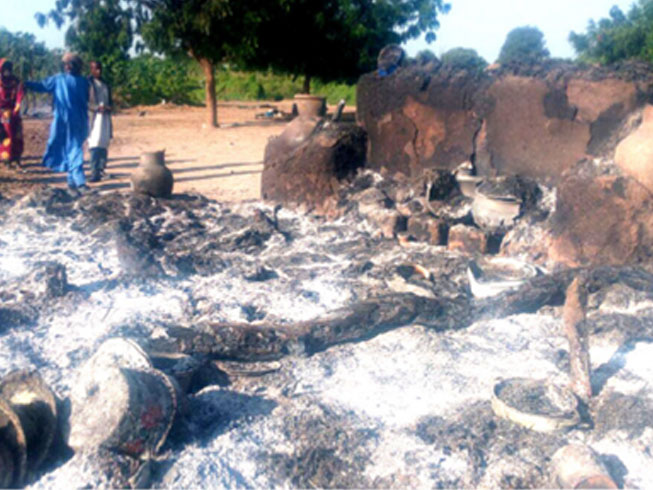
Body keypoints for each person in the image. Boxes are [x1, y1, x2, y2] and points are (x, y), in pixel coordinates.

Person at [25, 53, 90, 195]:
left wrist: (24, 84)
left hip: (69, 121)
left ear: (75, 66)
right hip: (73, 120)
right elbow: (41, 85)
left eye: (69, 64)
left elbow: (41, 86)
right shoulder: (81, 82)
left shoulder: (62, 80)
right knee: (72, 149)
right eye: (66, 64)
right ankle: (75, 183)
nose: (67, 67)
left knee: (73, 150)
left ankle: (77, 183)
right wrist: (25, 84)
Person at [87, 60, 113, 182]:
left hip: (105, 117)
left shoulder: (105, 83)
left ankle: (102, 170)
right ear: (91, 69)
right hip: (94, 117)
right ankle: (94, 172)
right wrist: (97, 107)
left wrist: (109, 107)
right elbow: (85, 102)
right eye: (95, 68)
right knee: (94, 144)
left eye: (100, 68)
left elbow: (110, 101)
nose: (98, 71)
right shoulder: (88, 84)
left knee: (104, 144)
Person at [0, 59, 25, 169]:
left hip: (14, 112)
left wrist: (18, 104)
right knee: (6, 134)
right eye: (4, 68)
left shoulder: (16, 81)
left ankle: (17, 157)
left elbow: (20, 92)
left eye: (8, 68)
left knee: (17, 134)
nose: (6, 71)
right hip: (3, 113)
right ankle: (6, 158)